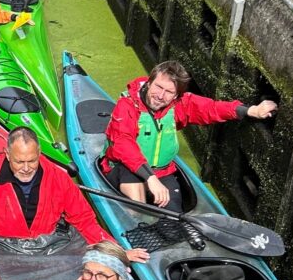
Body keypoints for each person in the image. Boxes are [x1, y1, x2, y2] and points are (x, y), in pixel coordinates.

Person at [0, 127, 148, 280]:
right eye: (19, 161)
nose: (26, 168)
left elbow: (84, 221)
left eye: (32, 161)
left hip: (47, 245)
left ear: (39, 153)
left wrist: (116, 251)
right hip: (5, 248)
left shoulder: (59, 178)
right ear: (7, 155)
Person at [103, 60, 278, 211]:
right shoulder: (127, 106)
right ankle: (135, 219)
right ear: (149, 82)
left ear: (176, 96)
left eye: (169, 92)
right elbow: (123, 143)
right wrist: (150, 178)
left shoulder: (180, 105)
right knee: (136, 208)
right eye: (158, 87)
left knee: (172, 221)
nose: (160, 96)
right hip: (124, 168)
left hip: (162, 171)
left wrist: (251, 110)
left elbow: (211, 108)